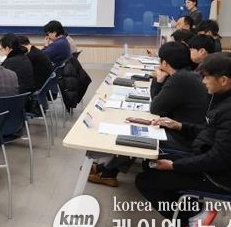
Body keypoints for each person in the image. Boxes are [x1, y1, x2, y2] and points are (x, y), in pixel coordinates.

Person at [136, 52, 231, 227]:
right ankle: (187, 218)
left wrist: (175, 166)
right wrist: (180, 126)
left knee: (146, 181)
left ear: (223, 80)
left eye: (207, 77)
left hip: (221, 177)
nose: (203, 81)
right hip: (212, 163)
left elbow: (219, 158)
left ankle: (195, 214)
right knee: (150, 164)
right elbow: (212, 133)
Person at [89, 42, 209, 187]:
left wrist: (158, 80)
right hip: (188, 131)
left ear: (164, 63)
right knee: (139, 127)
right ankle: (108, 170)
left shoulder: (179, 79)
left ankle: (107, 173)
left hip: (185, 137)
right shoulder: (187, 75)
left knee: (138, 133)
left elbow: (156, 108)